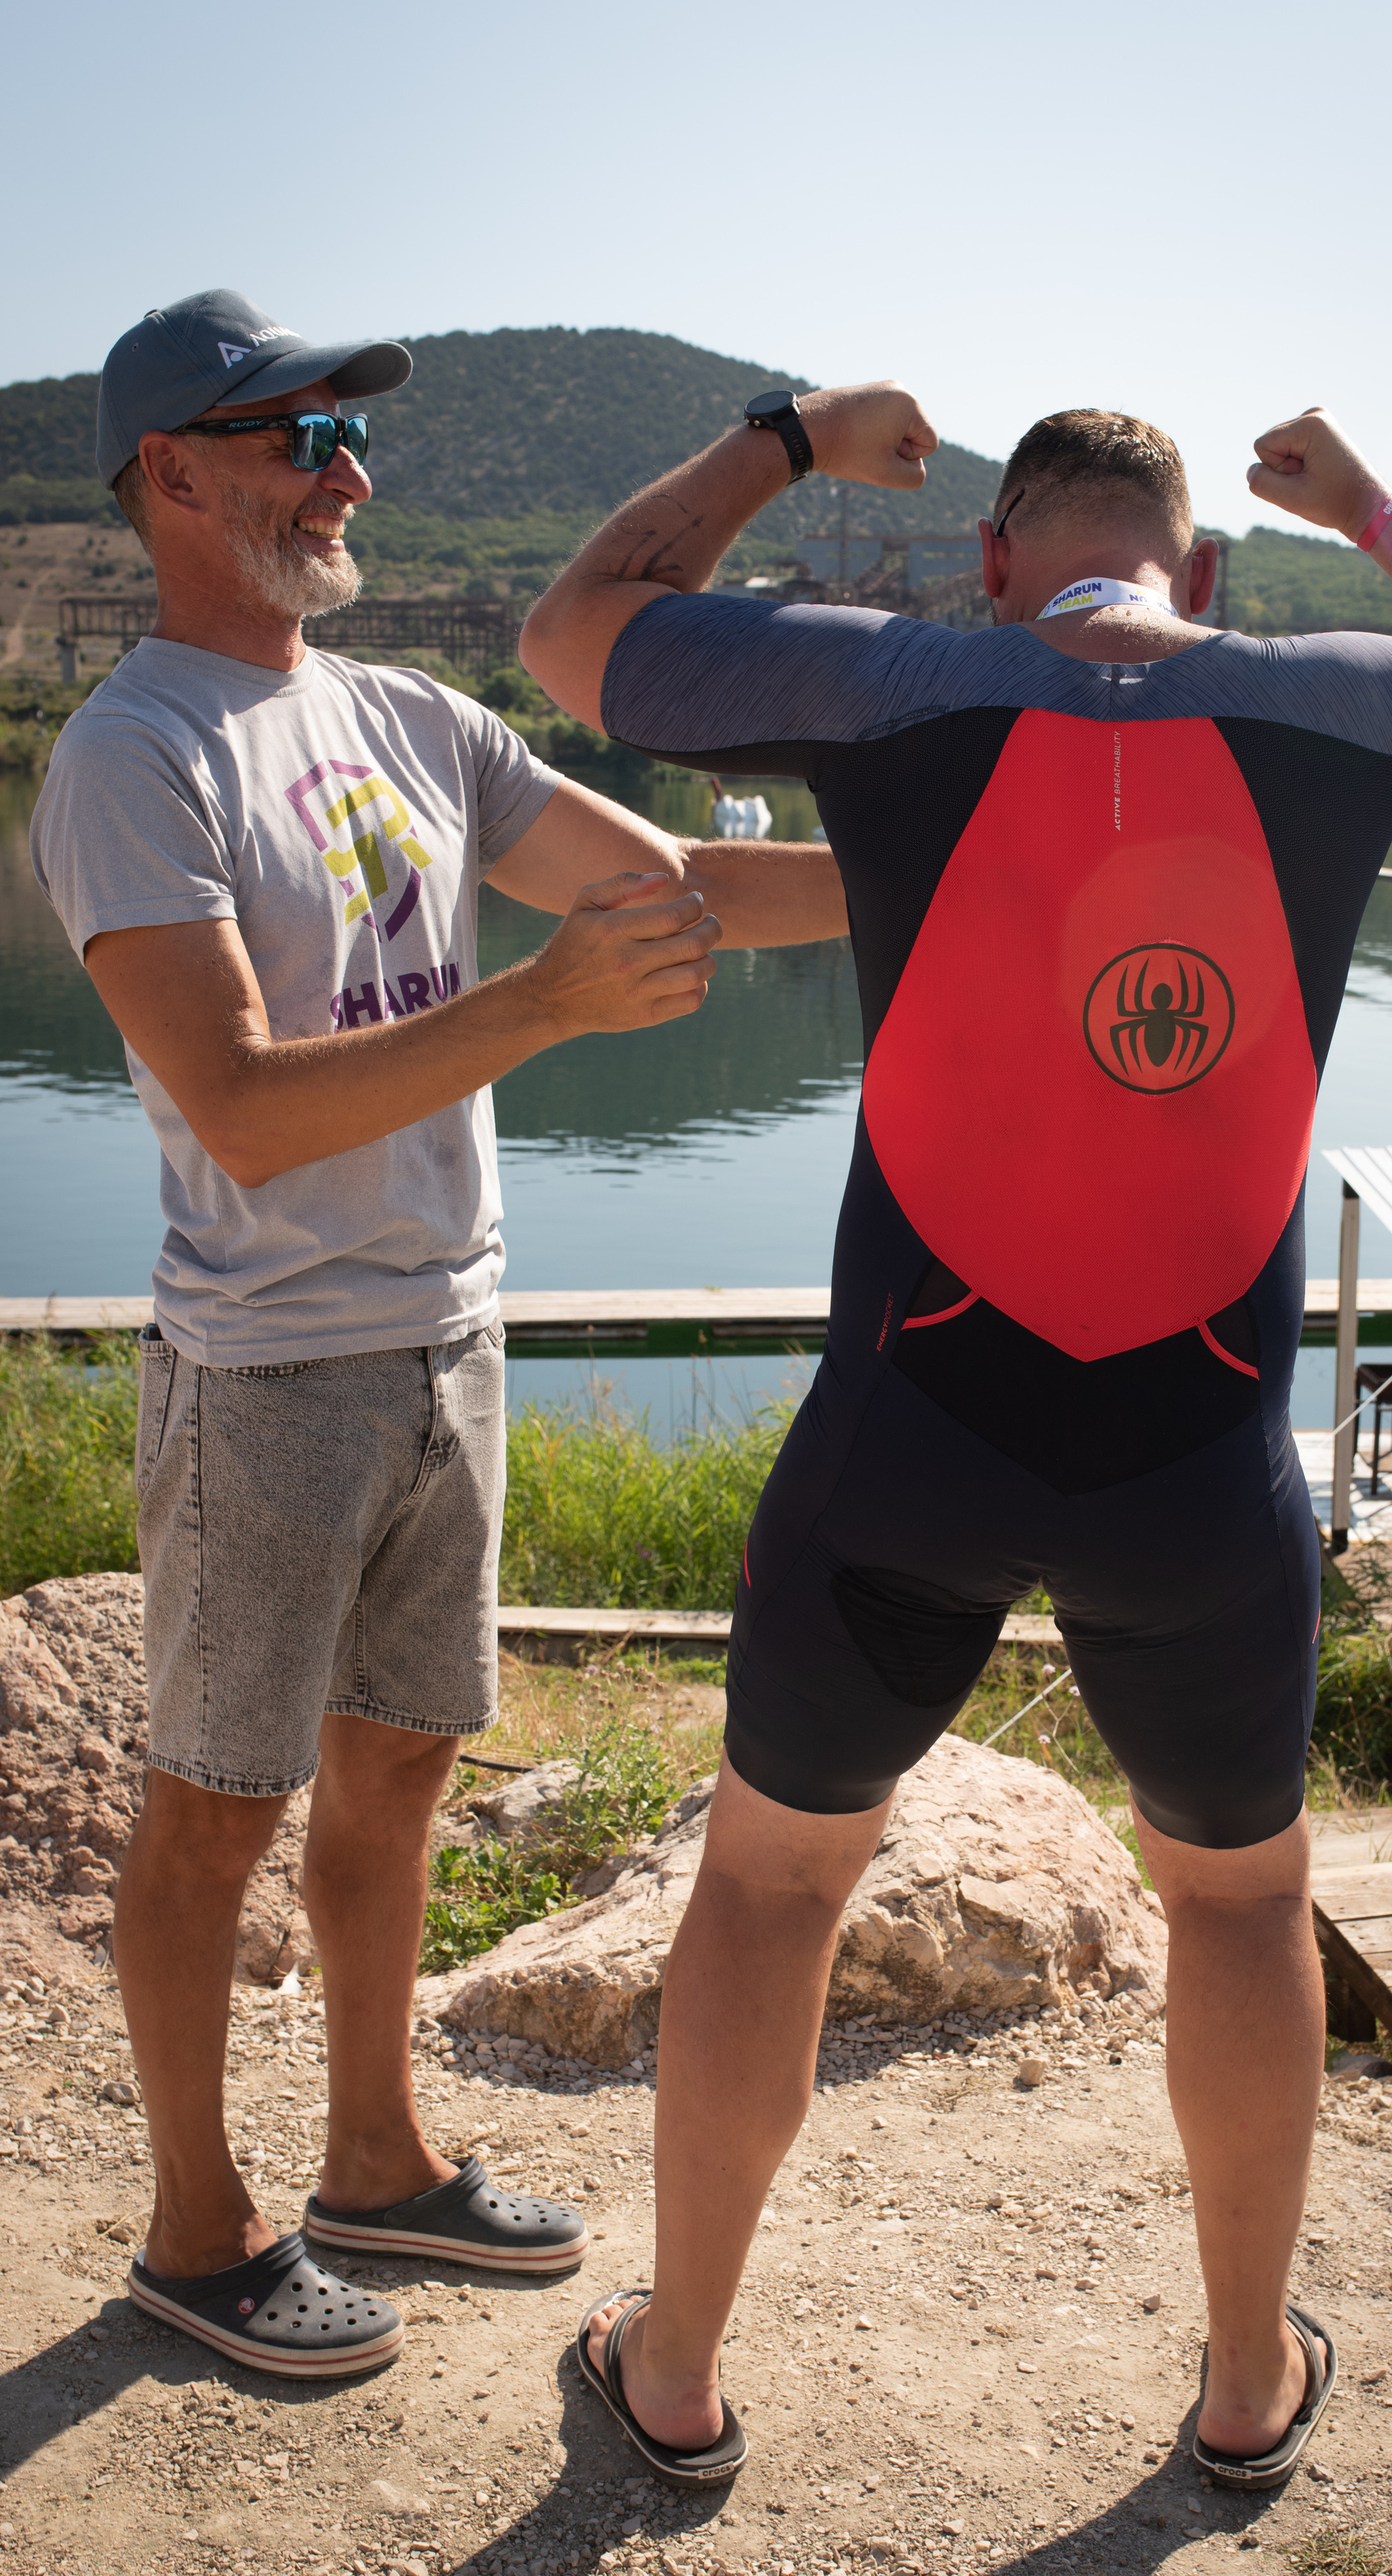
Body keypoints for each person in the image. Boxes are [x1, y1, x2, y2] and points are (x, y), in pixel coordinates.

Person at [520, 384, 1392, 2486]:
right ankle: (1240, 2391)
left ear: (998, 562)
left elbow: (580, 628)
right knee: (1238, 1903)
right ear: (1201, 571)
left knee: (768, 1886)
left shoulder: (890, 681)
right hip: (1198, 1458)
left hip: (907, 1424)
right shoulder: (1337, 696)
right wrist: (1379, 513)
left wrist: (779, 439)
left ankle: (672, 2375)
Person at [29, 291, 848, 2380]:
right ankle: (195, 2234)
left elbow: (672, 879)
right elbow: (240, 1099)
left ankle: (374, 2166)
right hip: (270, 1371)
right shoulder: (132, 757)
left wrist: (954, 870)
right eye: (296, 438)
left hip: (446, 1341)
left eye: (347, 437)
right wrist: (538, 1009)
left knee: (401, 1766)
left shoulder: (403, 711)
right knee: (217, 1804)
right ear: (173, 480)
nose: (346, 472)